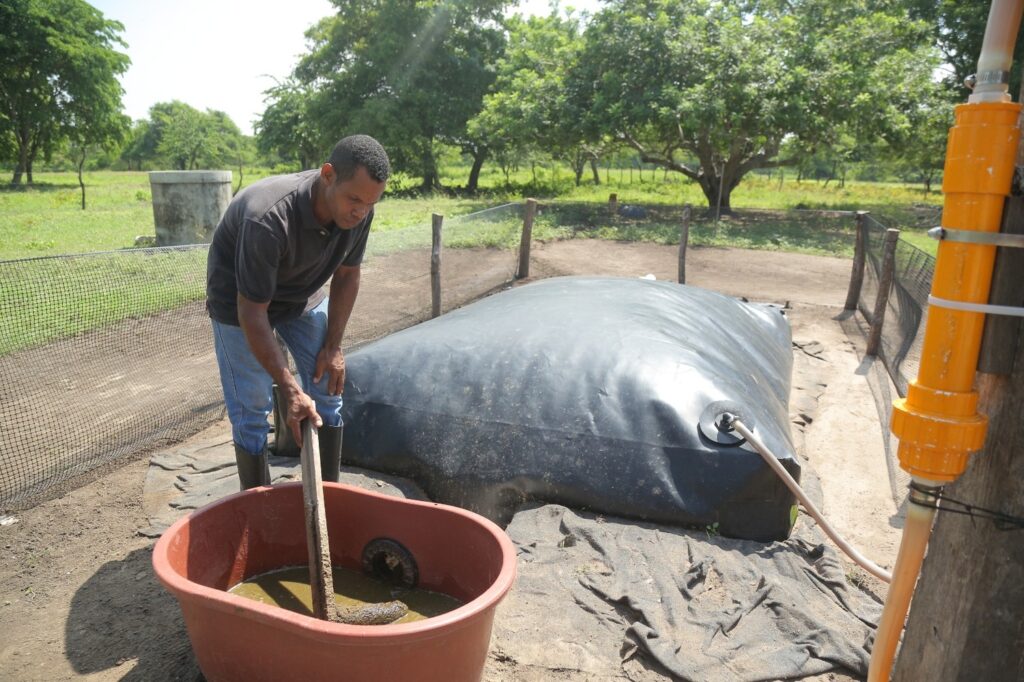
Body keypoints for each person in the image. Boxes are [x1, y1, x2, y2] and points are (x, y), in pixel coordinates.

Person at [205, 134, 390, 490]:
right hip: (239, 303)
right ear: (328, 175)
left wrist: (333, 346)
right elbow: (253, 313)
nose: (361, 211)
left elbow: (348, 274)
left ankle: (327, 500)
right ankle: (259, 509)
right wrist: (288, 387)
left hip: (300, 294)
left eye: (370, 203)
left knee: (328, 387)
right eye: (354, 199)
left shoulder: (360, 211)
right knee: (253, 407)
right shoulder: (268, 218)